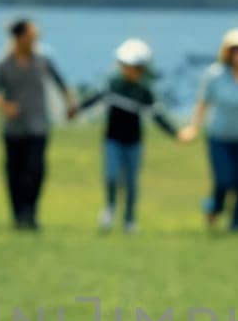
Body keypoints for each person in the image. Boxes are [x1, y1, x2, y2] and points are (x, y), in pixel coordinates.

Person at [77, 38, 182, 233]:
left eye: (134, 67)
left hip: (134, 142)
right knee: (112, 175)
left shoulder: (144, 91)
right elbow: (92, 100)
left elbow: (158, 117)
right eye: (126, 66)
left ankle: (129, 219)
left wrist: (176, 133)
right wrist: (75, 109)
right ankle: (109, 210)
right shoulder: (113, 84)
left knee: (131, 182)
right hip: (112, 140)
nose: (129, 70)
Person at [0, 18, 77, 230]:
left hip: (38, 125)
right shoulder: (2, 63)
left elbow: (61, 81)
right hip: (14, 128)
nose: (35, 40)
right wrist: (4, 106)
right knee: (15, 173)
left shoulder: (43, 59)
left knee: (35, 170)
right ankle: (18, 215)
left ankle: (31, 213)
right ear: (18, 38)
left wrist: (70, 103)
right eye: (31, 37)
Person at [178, 28, 238, 233]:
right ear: (228, 53)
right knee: (223, 181)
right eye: (236, 50)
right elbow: (203, 104)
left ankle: (237, 226)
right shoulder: (215, 75)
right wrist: (193, 128)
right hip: (219, 137)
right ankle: (213, 210)